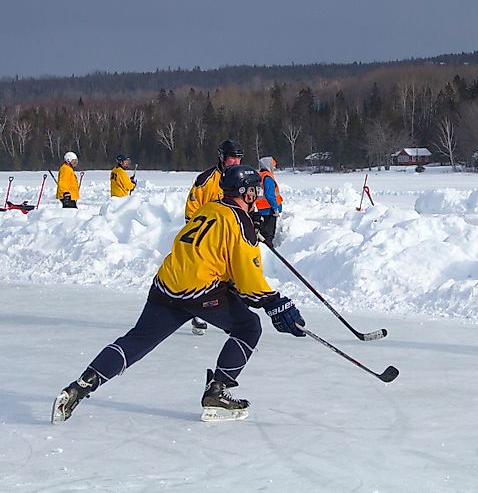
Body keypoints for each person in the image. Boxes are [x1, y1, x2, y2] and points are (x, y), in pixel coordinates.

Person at [51, 165, 306, 424]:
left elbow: (209, 252)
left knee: (137, 340)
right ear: (247, 193)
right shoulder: (240, 223)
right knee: (248, 327)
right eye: (255, 191)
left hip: (166, 285)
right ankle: (217, 391)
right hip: (199, 292)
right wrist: (275, 303)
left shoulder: (210, 208)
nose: (257, 196)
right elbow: (249, 280)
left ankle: (81, 385)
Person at [184, 139, 244, 335]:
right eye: (231, 158)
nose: (235, 162)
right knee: (205, 275)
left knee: (233, 276)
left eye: (238, 158)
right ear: (222, 157)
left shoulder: (242, 177)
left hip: (230, 236)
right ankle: (198, 313)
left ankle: (231, 314)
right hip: (207, 238)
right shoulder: (206, 180)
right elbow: (191, 211)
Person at [254, 156, 284, 247]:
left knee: (263, 233)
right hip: (269, 210)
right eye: (273, 166)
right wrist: (275, 208)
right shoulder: (268, 177)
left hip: (261, 209)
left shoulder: (259, 176)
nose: (274, 168)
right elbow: (270, 195)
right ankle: (269, 250)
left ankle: (264, 248)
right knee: (269, 234)